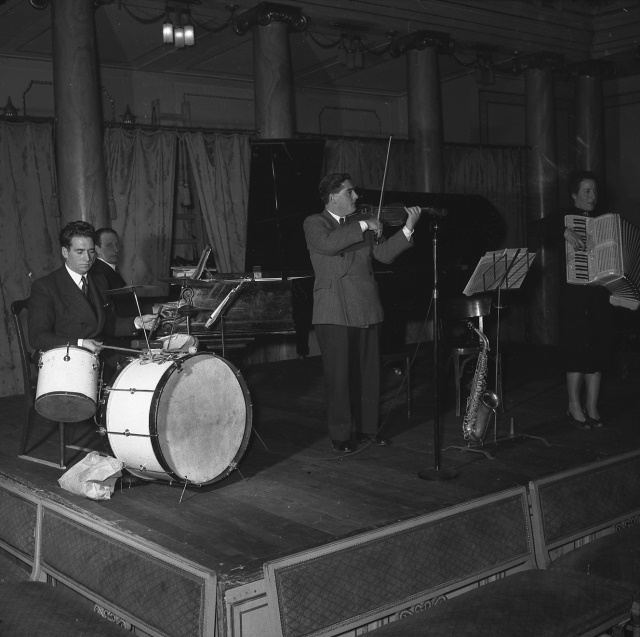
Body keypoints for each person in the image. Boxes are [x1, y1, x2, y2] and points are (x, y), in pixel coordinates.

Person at [303, 172, 421, 453]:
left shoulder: (361, 223)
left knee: (369, 374)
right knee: (339, 377)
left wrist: (408, 228)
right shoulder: (315, 223)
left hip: (366, 306)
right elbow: (330, 244)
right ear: (333, 197)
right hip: (334, 310)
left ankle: (369, 429)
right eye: (349, 192)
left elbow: (384, 255)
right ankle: (342, 435)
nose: (356, 196)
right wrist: (366, 224)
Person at [28, 220, 156, 355]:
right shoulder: (45, 286)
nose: (87, 258)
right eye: (80, 252)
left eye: (91, 251)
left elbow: (108, 324)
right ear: (65, 252)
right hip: (66, 358)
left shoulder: (99, 279)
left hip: (100, 355)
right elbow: (37, 337)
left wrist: (137, 322)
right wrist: (79, 343)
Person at [559, 171, 611, 429]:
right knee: (577, 349)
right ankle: (574, 405)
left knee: (597, 349)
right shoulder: (563, 217)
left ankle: (591, 405)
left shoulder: (605, 220)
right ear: (574, 195)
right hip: (574, 296)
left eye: (595, 191)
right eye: (587, 191)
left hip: (599, 292)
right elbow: (538, 227)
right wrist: (563, 231)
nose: (592, 196)